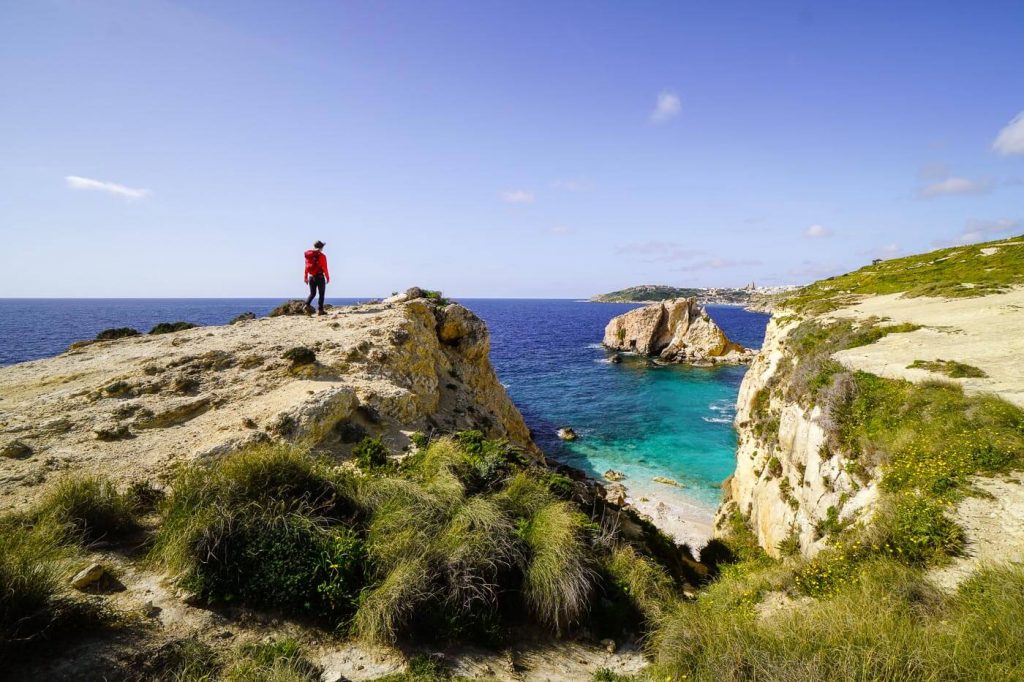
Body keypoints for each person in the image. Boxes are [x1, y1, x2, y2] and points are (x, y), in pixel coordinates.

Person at [304, 240, 330, 315]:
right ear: (321, 247)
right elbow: (325, 267)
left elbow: (306, 267)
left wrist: (305, 277)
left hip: (311, 277)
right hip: (320, 277)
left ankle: (306, 304)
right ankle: (320, 310)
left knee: (312, 293)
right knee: (321, 294)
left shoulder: (308, 256)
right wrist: (327, 277)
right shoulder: (322, 256)